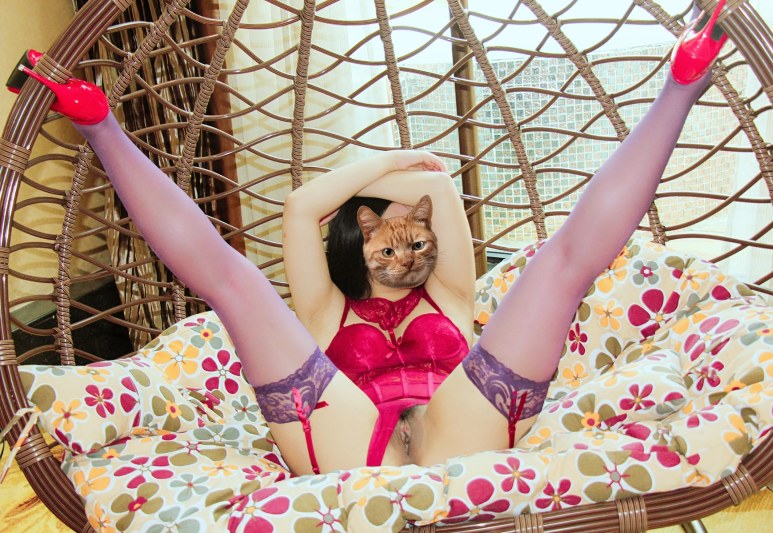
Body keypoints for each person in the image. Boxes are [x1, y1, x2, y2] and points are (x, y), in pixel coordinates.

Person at [9, 1, 728, 477]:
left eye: (416, 239)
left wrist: (409, 179)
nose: (408, 253)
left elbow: (444, 190)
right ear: (357, 241)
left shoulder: (453, 293)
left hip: (456, 421)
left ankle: (680, 84)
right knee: (233, 284)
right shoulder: (325, 308)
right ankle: (98, 122)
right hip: (351, 433)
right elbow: (300, 209)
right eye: (388, 239)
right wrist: (386, 163)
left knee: (560, 264)